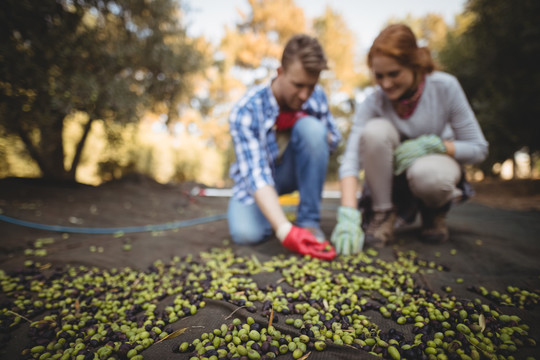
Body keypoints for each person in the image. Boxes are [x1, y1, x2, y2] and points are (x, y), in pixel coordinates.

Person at [331, 24, 488, 255]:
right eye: (379, 75)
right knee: (374, 131)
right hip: (391, 179)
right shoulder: (373, 102)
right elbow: (351, 159)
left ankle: (433, 212)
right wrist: (347, 212)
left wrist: (436, 145)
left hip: (432, 169)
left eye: (394, 74)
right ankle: (382, 213)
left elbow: (478, 148)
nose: (385, 84)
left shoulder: (445, 87)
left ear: (415, 65)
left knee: (430, 176)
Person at [227, 34, 342, 260]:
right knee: (246, 233)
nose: (304, 95)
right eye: (298, 85)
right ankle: (274, 218)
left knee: (312, 129)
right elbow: (256, 175)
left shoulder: (315, 97)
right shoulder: (247, 109)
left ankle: (308, 221)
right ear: (280, 73)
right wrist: (284, 230)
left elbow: (333, 140)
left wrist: (306, 125)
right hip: (257, 182)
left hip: (293, 171)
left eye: (311, 86)